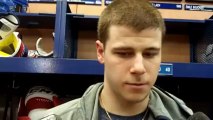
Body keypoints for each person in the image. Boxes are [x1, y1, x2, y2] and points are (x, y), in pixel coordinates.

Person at [29, 0, 194, 119]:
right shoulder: (60, 118)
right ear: (101, 52)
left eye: (150, 54)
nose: (139, 68)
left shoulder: (185, 117)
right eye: (124, 53)